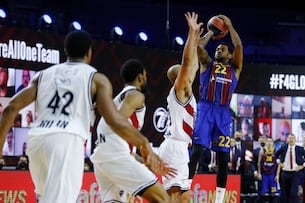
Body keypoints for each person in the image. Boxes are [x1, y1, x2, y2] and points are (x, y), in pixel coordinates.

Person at [0, 30, 171, 203]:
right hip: (66, 141)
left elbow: (10, 109)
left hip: (37, 143)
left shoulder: (42, 75)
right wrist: (143, 144)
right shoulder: (96, 79)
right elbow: (114, 120)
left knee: (46, 198)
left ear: (66, 51)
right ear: (89, 52)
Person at [90, 58, 177, 203]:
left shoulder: (117, 100)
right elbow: (118, 121)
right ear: (141, 77)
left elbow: (122, 144)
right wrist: (145, 146)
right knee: (163, 199)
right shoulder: (135, 95)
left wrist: (146, 161)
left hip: (102, 159)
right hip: (114, 157)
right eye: (145, 75)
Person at [188, 14, 243, 203]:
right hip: (205, 108)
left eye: (223, 49)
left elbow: (238, 47)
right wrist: (212, 30)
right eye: (218, 49)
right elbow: (197, 47)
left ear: (229, 55)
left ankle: (219, 199)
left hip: (222, 113)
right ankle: (185, 190)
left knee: (222, 158)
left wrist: (230, 26)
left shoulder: (235, 69)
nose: (219, 50)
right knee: (196, 151)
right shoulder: (207, 65)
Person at [157, 12, 202, 203]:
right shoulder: (179, 89)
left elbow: (195, 65)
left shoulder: (185, 91)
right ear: (179, 77)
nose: (190, 73)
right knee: (177, 198)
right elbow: (188, 63)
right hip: (175, 147)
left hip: (178, 147)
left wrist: (199, 42)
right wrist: (191, 34)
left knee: (182, 198)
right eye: (184, 72)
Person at [275, 134, 305, 203]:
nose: (291, 139)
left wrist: (303, 165)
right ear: (287, 139)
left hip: (295, 173)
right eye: (289, 138)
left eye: (293, 138)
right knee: (285, 194)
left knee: (293, 193)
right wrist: (279, 162)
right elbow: (276, 154)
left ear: (295, 140)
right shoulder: (283, 147)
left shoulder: (299, 149)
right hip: (285, 173)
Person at [258, 138, 279, 202]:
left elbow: (279, 164)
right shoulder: (262, 151)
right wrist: (259, 173)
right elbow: (259, 163)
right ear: (266, 142)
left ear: (273, 143)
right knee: (264, 193)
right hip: (265, 175)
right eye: (268, 141)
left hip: (272, 175)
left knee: (274, 193)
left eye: (271, 141)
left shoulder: (276, 151)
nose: (269, 143)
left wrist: (277, 175)